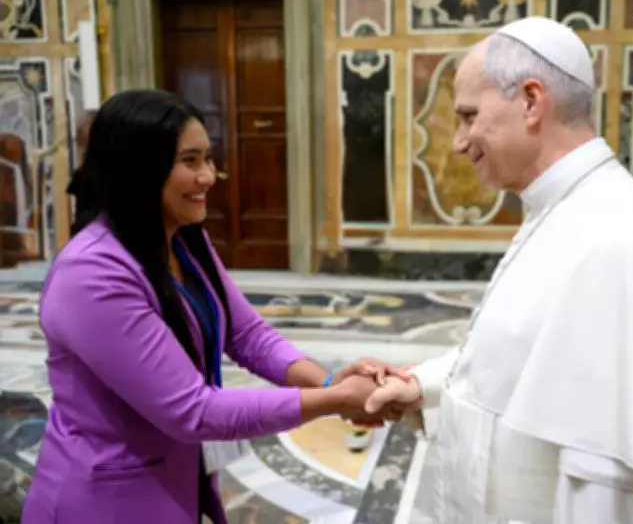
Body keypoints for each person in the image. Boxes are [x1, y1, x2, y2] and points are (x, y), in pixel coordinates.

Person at [363, 16, 633, 524]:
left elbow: (606, 488)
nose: (458, 141)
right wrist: (425, 386)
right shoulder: (566, 211)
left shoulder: (616, 242)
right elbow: (521, 356)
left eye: (468, 115)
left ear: (530, 101)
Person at [21, 89, 410, 524]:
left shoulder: (184, 238)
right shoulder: (92, 274)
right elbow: (193, 411)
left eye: (208, 158)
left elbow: (247, 335)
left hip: (172, 481)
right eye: (190, 161)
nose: (208, 175)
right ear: (139, 169)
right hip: (104, 499)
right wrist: (333, 399)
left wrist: (331, 381)